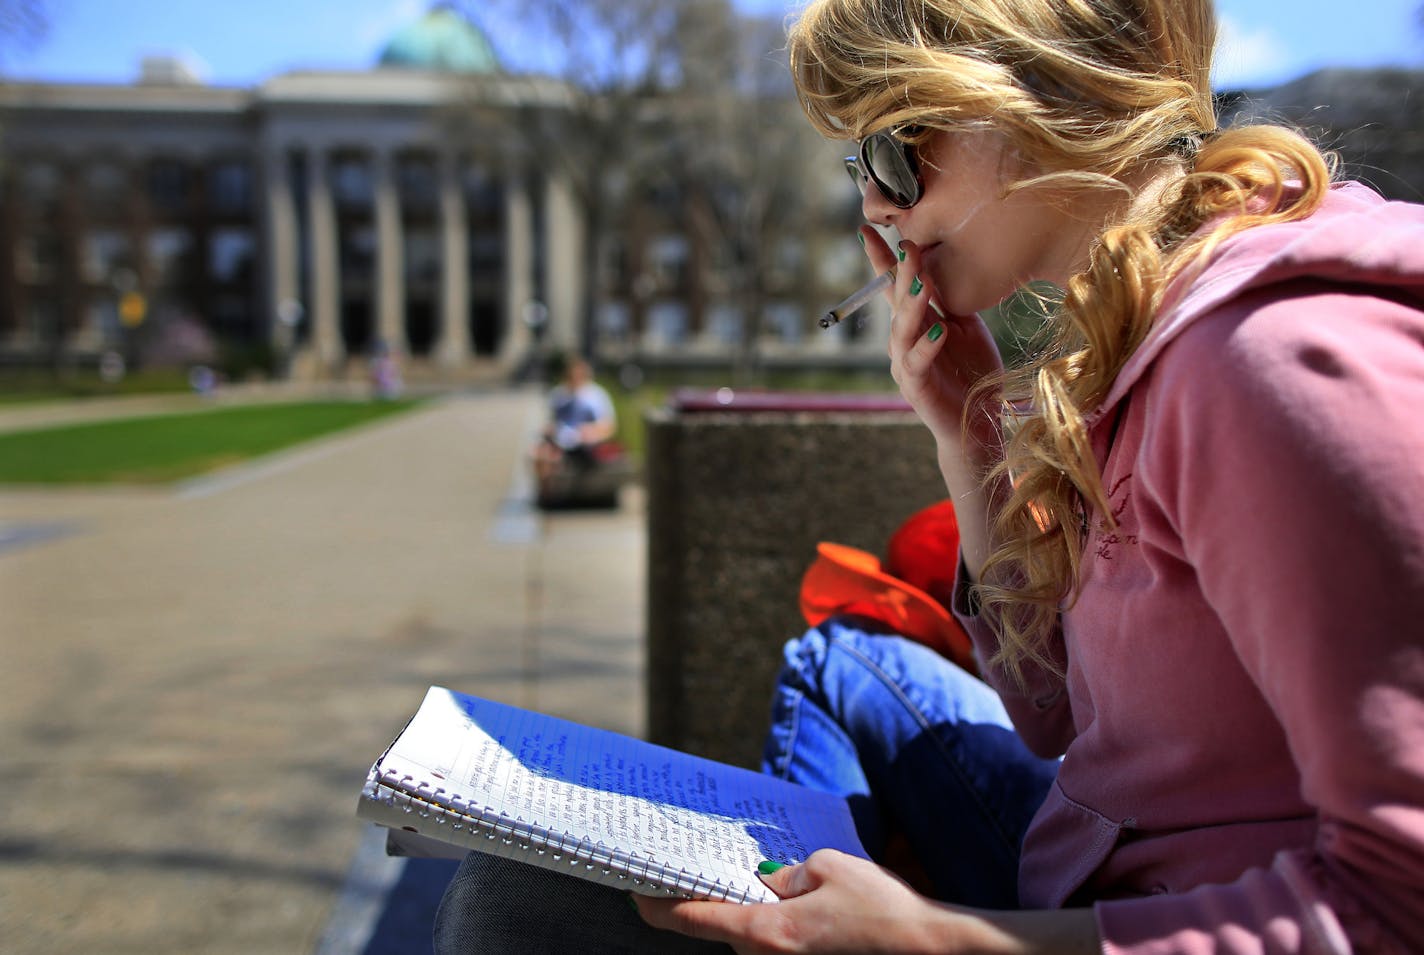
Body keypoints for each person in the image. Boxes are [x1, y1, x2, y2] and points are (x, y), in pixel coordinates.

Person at [435, 0, 1424, 951]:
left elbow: (1394, 910)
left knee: (512, 905)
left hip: (1167, 910)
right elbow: (1056, 717)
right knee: (837, 661)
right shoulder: (1138, 340)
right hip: (1098, 852)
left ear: (1030, 92)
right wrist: (968, 433)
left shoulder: (1274, 360)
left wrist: (935, 941)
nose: (871, 203)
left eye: (892, 149)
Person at [531, 353, 618, 484]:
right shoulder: (558, 395)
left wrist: (592, 432)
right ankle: (547, 491)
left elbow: (609, 426)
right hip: (561, 442)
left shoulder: (596, 395)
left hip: (587, 445)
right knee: (540, 454)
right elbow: (551, 423)